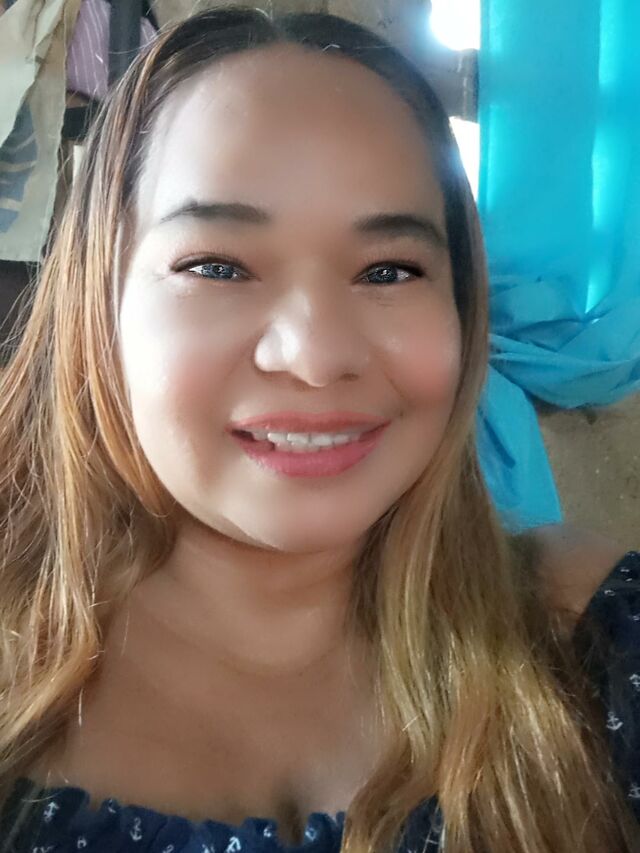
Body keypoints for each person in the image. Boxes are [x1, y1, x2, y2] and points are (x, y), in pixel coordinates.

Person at [0, 6, 638, 853]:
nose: (315, 356)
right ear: (101, 303)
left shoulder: (592, 639)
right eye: (217, 266)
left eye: (389, 270)